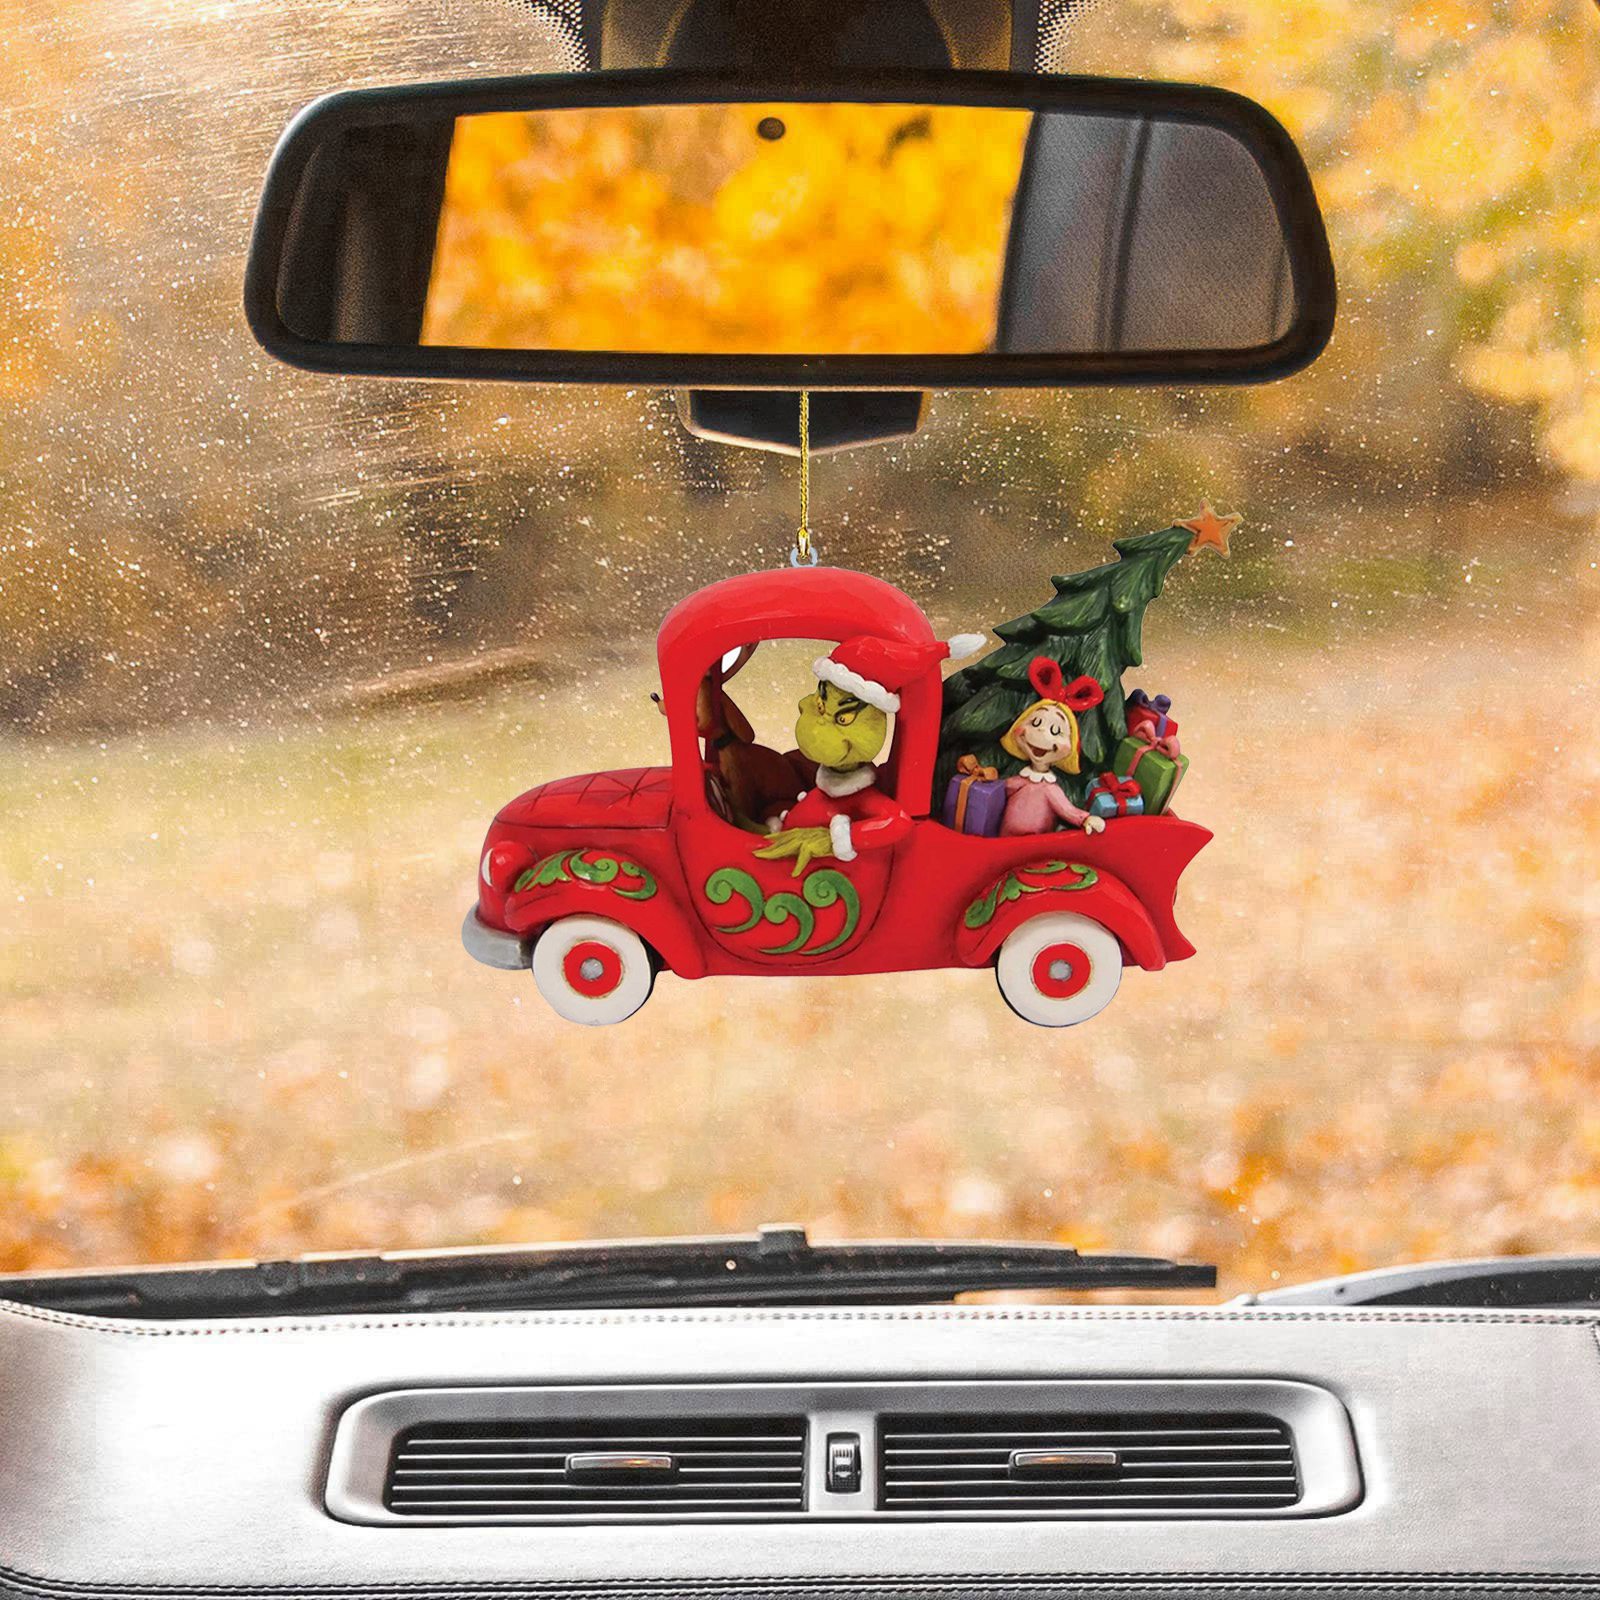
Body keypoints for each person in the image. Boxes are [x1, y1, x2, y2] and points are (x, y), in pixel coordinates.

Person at [998, 657, 1107, 836]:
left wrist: (1085, 819)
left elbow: (1067, 810)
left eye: (1055, 730)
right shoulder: (1019, 782)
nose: (1041, 731)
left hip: (1034, 842)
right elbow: (999, 790)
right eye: (1036, 722)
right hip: (1005, 838)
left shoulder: (1050, 790)